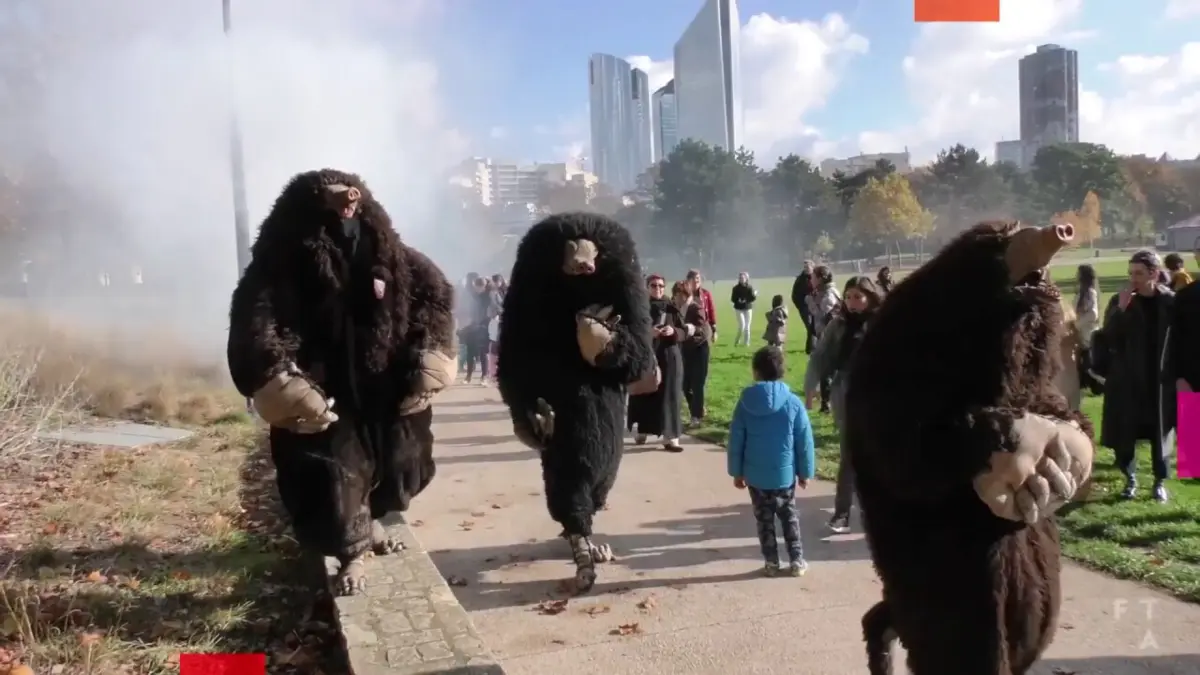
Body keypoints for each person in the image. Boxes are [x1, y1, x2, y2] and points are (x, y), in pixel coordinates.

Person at [804, 276, 884, 534]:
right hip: (846, 392)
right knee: (849, 454)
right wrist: (811, 386)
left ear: (870, 298)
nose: (852, 303)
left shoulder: (883, 323)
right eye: (848, 296)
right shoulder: (838, 325)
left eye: (858, 297)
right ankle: (841, 514)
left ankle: (883, 515)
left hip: (878, 394)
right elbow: (820, 356)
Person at [727, 346, 815, 577]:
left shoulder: (745, 404)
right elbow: (804, 441)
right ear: (782, 371)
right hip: (784, 476)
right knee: (789, 516)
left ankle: (771, 563)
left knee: (764, 520)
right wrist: (805, 472)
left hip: (756, 477)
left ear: (755, 372)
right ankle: (796, 560)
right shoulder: (793, 403)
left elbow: (736, 439)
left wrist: (736, 472)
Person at [1098, 250, 1177, 502]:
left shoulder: (1170, 302)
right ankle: (1129, 479)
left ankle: (1159, 482)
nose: (1133, 279)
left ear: (1154, 274)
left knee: (1160, 432)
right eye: (1130, 273)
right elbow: (1108, 338)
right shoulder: (1120, 302)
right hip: (1127, 380)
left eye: (1139, 273)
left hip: (1160, 381)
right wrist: (1121, 310)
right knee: (1125, 431)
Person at [627, 276, 693, 452]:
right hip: (647, 356)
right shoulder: (639, 307)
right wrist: (649, 333)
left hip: (670, 357)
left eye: (661, 286)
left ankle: (671, 437)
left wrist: (673, 331)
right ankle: (643, 430)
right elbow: (630, 332)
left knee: (670, 397)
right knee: (645, 394)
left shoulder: (671, 307)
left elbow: (684, 331)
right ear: (647, 287)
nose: (658, 288)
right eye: (654, 285)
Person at [682, 269, 716, 426]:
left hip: (702, 341)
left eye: (698, 279)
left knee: (698, 382)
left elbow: (711, 313)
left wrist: (714, 330)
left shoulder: (706, 295)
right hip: (685, 343)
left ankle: (696, 415)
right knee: (685, 383)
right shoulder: (682, 295)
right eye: (693, 279)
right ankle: (697, 408)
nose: (696, 282)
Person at [805, 265, 841, 413]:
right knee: (824, 369)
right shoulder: (821, 292)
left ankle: (828, 403)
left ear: (820, 278)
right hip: (825, 335)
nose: (811, 280)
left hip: (832, 337)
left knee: (827, 369)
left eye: (813, 277)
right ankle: (825, 402)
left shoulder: (829, 293)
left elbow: (822, 312)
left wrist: (810, 302)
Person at [1170, 236, 1200, 394]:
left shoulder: (1184, 296)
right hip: (1191, 382)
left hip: (1190, 380)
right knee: (1192, 420)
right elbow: (1174, 342)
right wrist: (1179, 378)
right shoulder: (1185, 297)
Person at [464, 276, 497, 385]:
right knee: (470, 351)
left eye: (479, 287)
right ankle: (468, 376)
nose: (477, 289)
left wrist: (488, 320)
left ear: (484, 286)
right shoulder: (473, 296)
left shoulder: (489, 297)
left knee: (483, 352)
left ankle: (484, 376)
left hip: (484, 326)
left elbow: (496, 310)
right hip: (472, 326)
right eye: (475, 287)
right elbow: (468, 309)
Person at [1074, 264, 1102, 393]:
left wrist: (1077, 324)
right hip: (1082, 333)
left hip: (1088, 333)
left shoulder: (1090, 293)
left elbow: (1093, 313)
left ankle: (1099, 385)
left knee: (1090, 364)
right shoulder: (1081, 292)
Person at [790, 260, 815, 354]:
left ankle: (814, 347)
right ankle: (810, 349)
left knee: (816, 327)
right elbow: (794, 295)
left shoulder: (816, 278)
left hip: (817, 307)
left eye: (808, 267)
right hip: (805, 308)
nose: (806, 269)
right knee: (810, 328)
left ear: (812, 267)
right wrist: (801, 306)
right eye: (805, 267)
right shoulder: (800, 280)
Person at [730, 272, 757, 346]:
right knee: (742, 325)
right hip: (739, 309)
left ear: (746, 279)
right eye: (740, 278)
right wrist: (738, 300)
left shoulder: (749, 287)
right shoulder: (735, 288)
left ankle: (746, 343)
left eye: (743, 278)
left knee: (747, 327)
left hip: (748, 308)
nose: (741, 279)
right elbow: (732, 299)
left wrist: (749, 298)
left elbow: (753, 298)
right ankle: (737, 340)